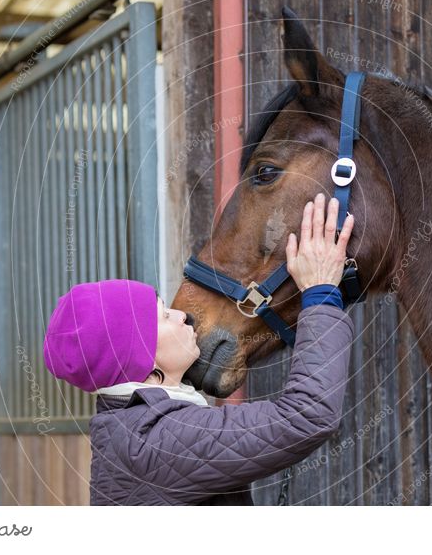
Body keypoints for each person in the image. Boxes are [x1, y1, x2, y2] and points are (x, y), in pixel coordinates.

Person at [43, 193, 355, 505]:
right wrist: (320, 291)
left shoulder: (134, 428)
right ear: (147, 368)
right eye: (164, 316)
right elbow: (306, 417)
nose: (182, 316)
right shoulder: (159, 441)